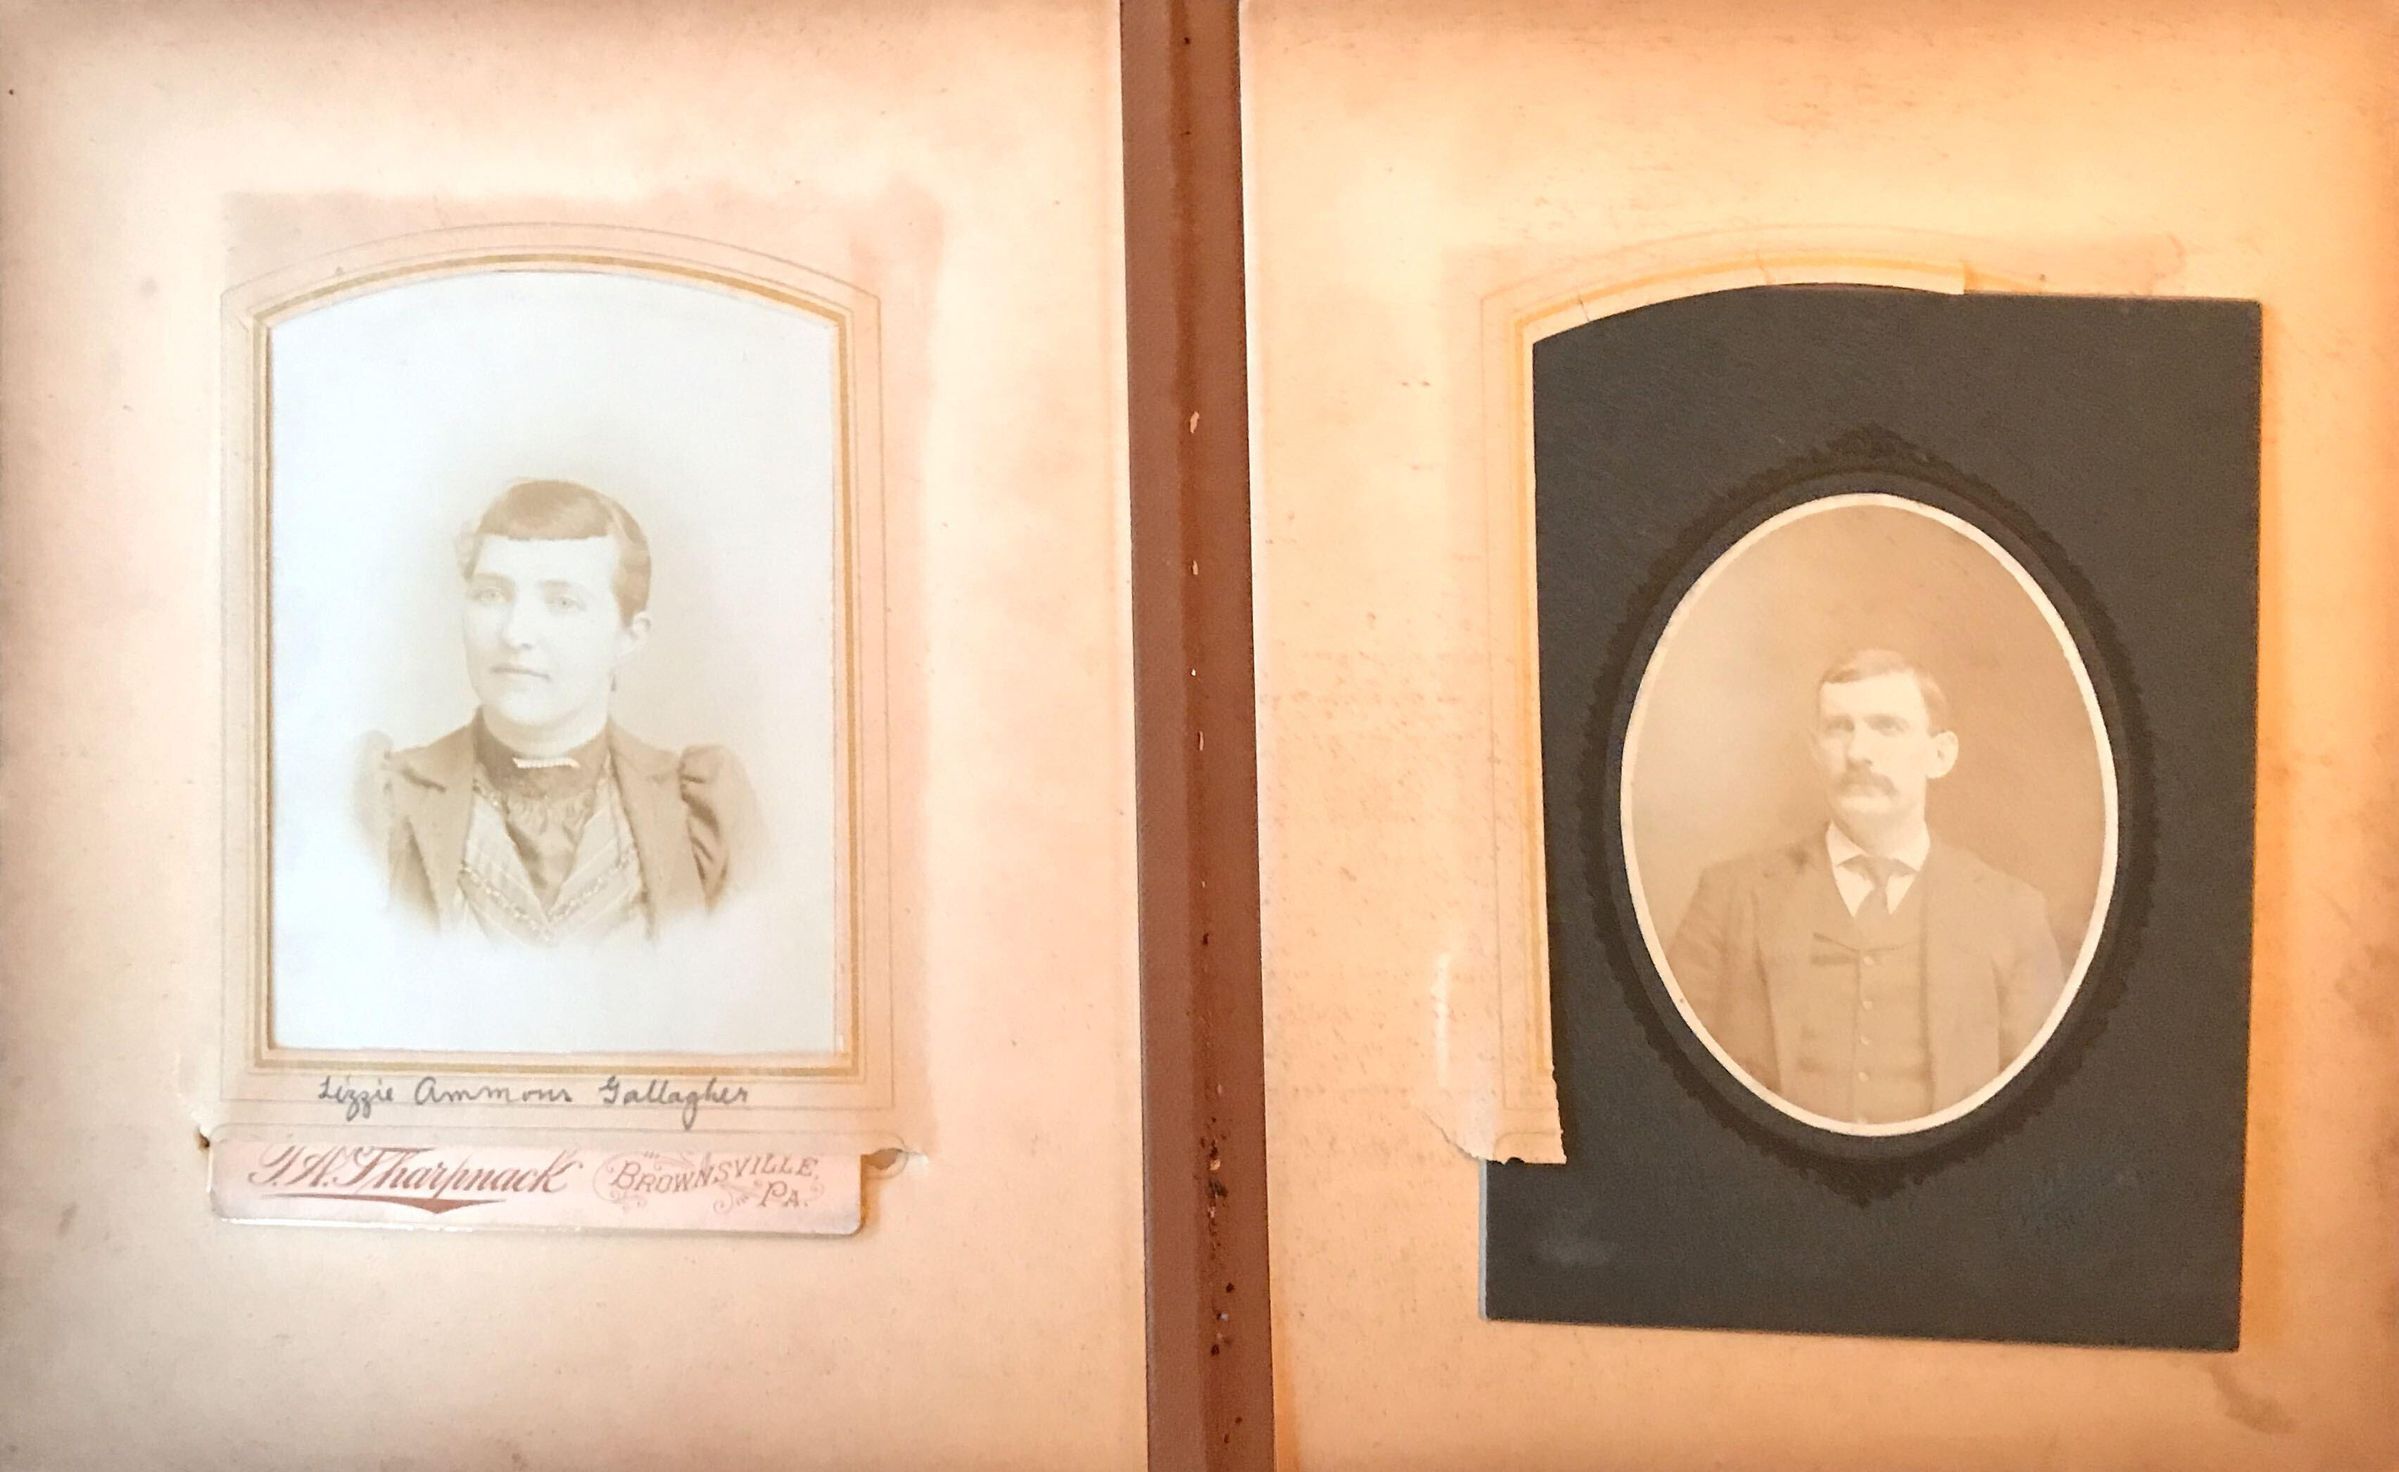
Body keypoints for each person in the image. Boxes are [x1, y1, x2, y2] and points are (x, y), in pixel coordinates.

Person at [1665, 649, 2063, 1125]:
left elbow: (2040, 1111)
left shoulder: (2011, 914)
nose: (1857, 753)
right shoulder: (1729, 897)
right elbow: (1672, 1081)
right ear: (1816, 750)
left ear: (1940, 755)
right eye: (1839, 729)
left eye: (1887, 727)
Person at [366, 479, 764, 945]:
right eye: (491, 594)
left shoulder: (701, 811)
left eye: (562, 602)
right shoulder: (383, 804)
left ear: (630, 637)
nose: (515, 633)